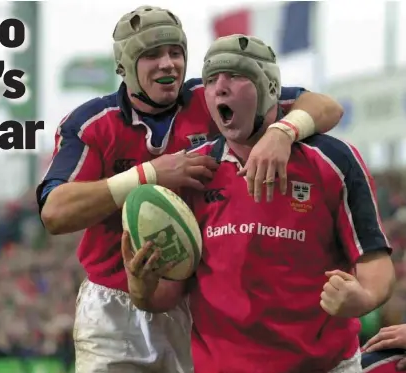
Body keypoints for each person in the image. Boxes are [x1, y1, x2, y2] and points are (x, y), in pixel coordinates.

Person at [37, 6, 344, 373]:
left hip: (198, 304)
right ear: (125, 66)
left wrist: (283, 131)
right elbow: (55, 212)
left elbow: (326, 106)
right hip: (116, 307)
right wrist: (148, 175)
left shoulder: (212, 96)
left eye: (176, 52)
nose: (168, 63)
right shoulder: (92, 124)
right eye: (152, 55)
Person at [122, 34, 394, 373]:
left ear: (268, 88)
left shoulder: (333, 160)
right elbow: (169, 293)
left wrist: (363, 299)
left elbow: (375, 261)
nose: (219, 87)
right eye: (210, 80)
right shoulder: (191, 173)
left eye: (235, 75)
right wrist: (142, 289)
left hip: (324, 366)